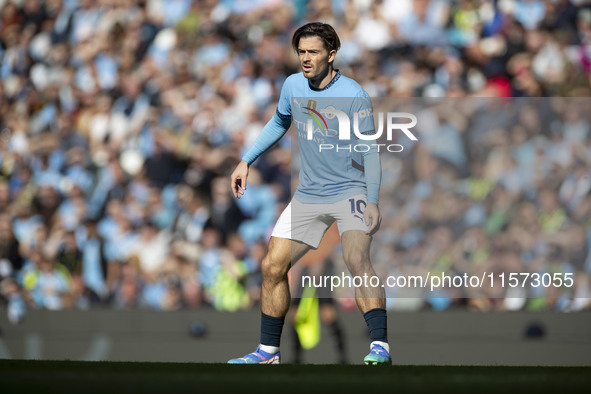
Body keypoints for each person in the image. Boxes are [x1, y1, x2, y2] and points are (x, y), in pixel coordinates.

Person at [227, 22, 390, 365]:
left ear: (331, 55)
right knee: (272, 265)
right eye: (301, 51)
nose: (305, 58)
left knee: (356, 259)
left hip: (350, 191)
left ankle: (380, 348)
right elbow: (278, 121)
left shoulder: (353, 95)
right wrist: (246, 160)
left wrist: (372, 199)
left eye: (313, 51)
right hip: (309, 195)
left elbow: (370, 152)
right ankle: (268, 353)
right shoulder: (292, 86)